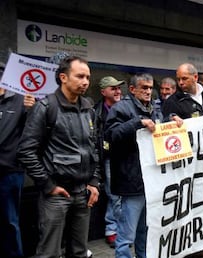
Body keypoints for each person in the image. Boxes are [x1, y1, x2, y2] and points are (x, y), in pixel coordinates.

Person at [17, 56, 101, 258]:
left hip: (83, 194)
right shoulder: (45, 107)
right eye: (80, 76)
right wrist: (48, 186)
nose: (86, 82)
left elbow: (95, 148)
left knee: (80, 252)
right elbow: (26, 151)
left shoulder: (89, 109)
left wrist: (94, 182)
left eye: (88, 77)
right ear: (63, 77)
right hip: (56, 196)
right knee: (49, 253)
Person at [105, 73, 182, 258]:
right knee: (126, 235)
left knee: (145, 231)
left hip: (150, 182)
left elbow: (159, 129)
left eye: (150, 88)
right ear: (132, 90)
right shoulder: (121, 108)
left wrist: (170, 119)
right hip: (131, 183)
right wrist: (137, 123)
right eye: (144, 88)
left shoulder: (154, 109)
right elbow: (111, 135)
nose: (149, 91)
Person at [162, 63, 203, 258]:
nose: (180, 83)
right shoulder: (173, 101)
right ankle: (184, 246)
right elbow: (164, 124)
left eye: (184, 79)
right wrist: (170, 120)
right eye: (178, 79)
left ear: (195, 78)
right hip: (186, 164)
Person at [0, 61, 35, 258]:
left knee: (9, 222)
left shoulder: (22, 100)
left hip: (10, 172)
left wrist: (31, 110)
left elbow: (33, 132)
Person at [95, 76, 124, 248]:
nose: (118, 91)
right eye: (113, 88)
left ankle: (121, 230)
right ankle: (112, 230)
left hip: (127, 158)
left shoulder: (126, 107)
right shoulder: (96, 112)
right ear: (103, 92)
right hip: (108, 158)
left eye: (119, 88)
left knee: (124, 196)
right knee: (114, 195)